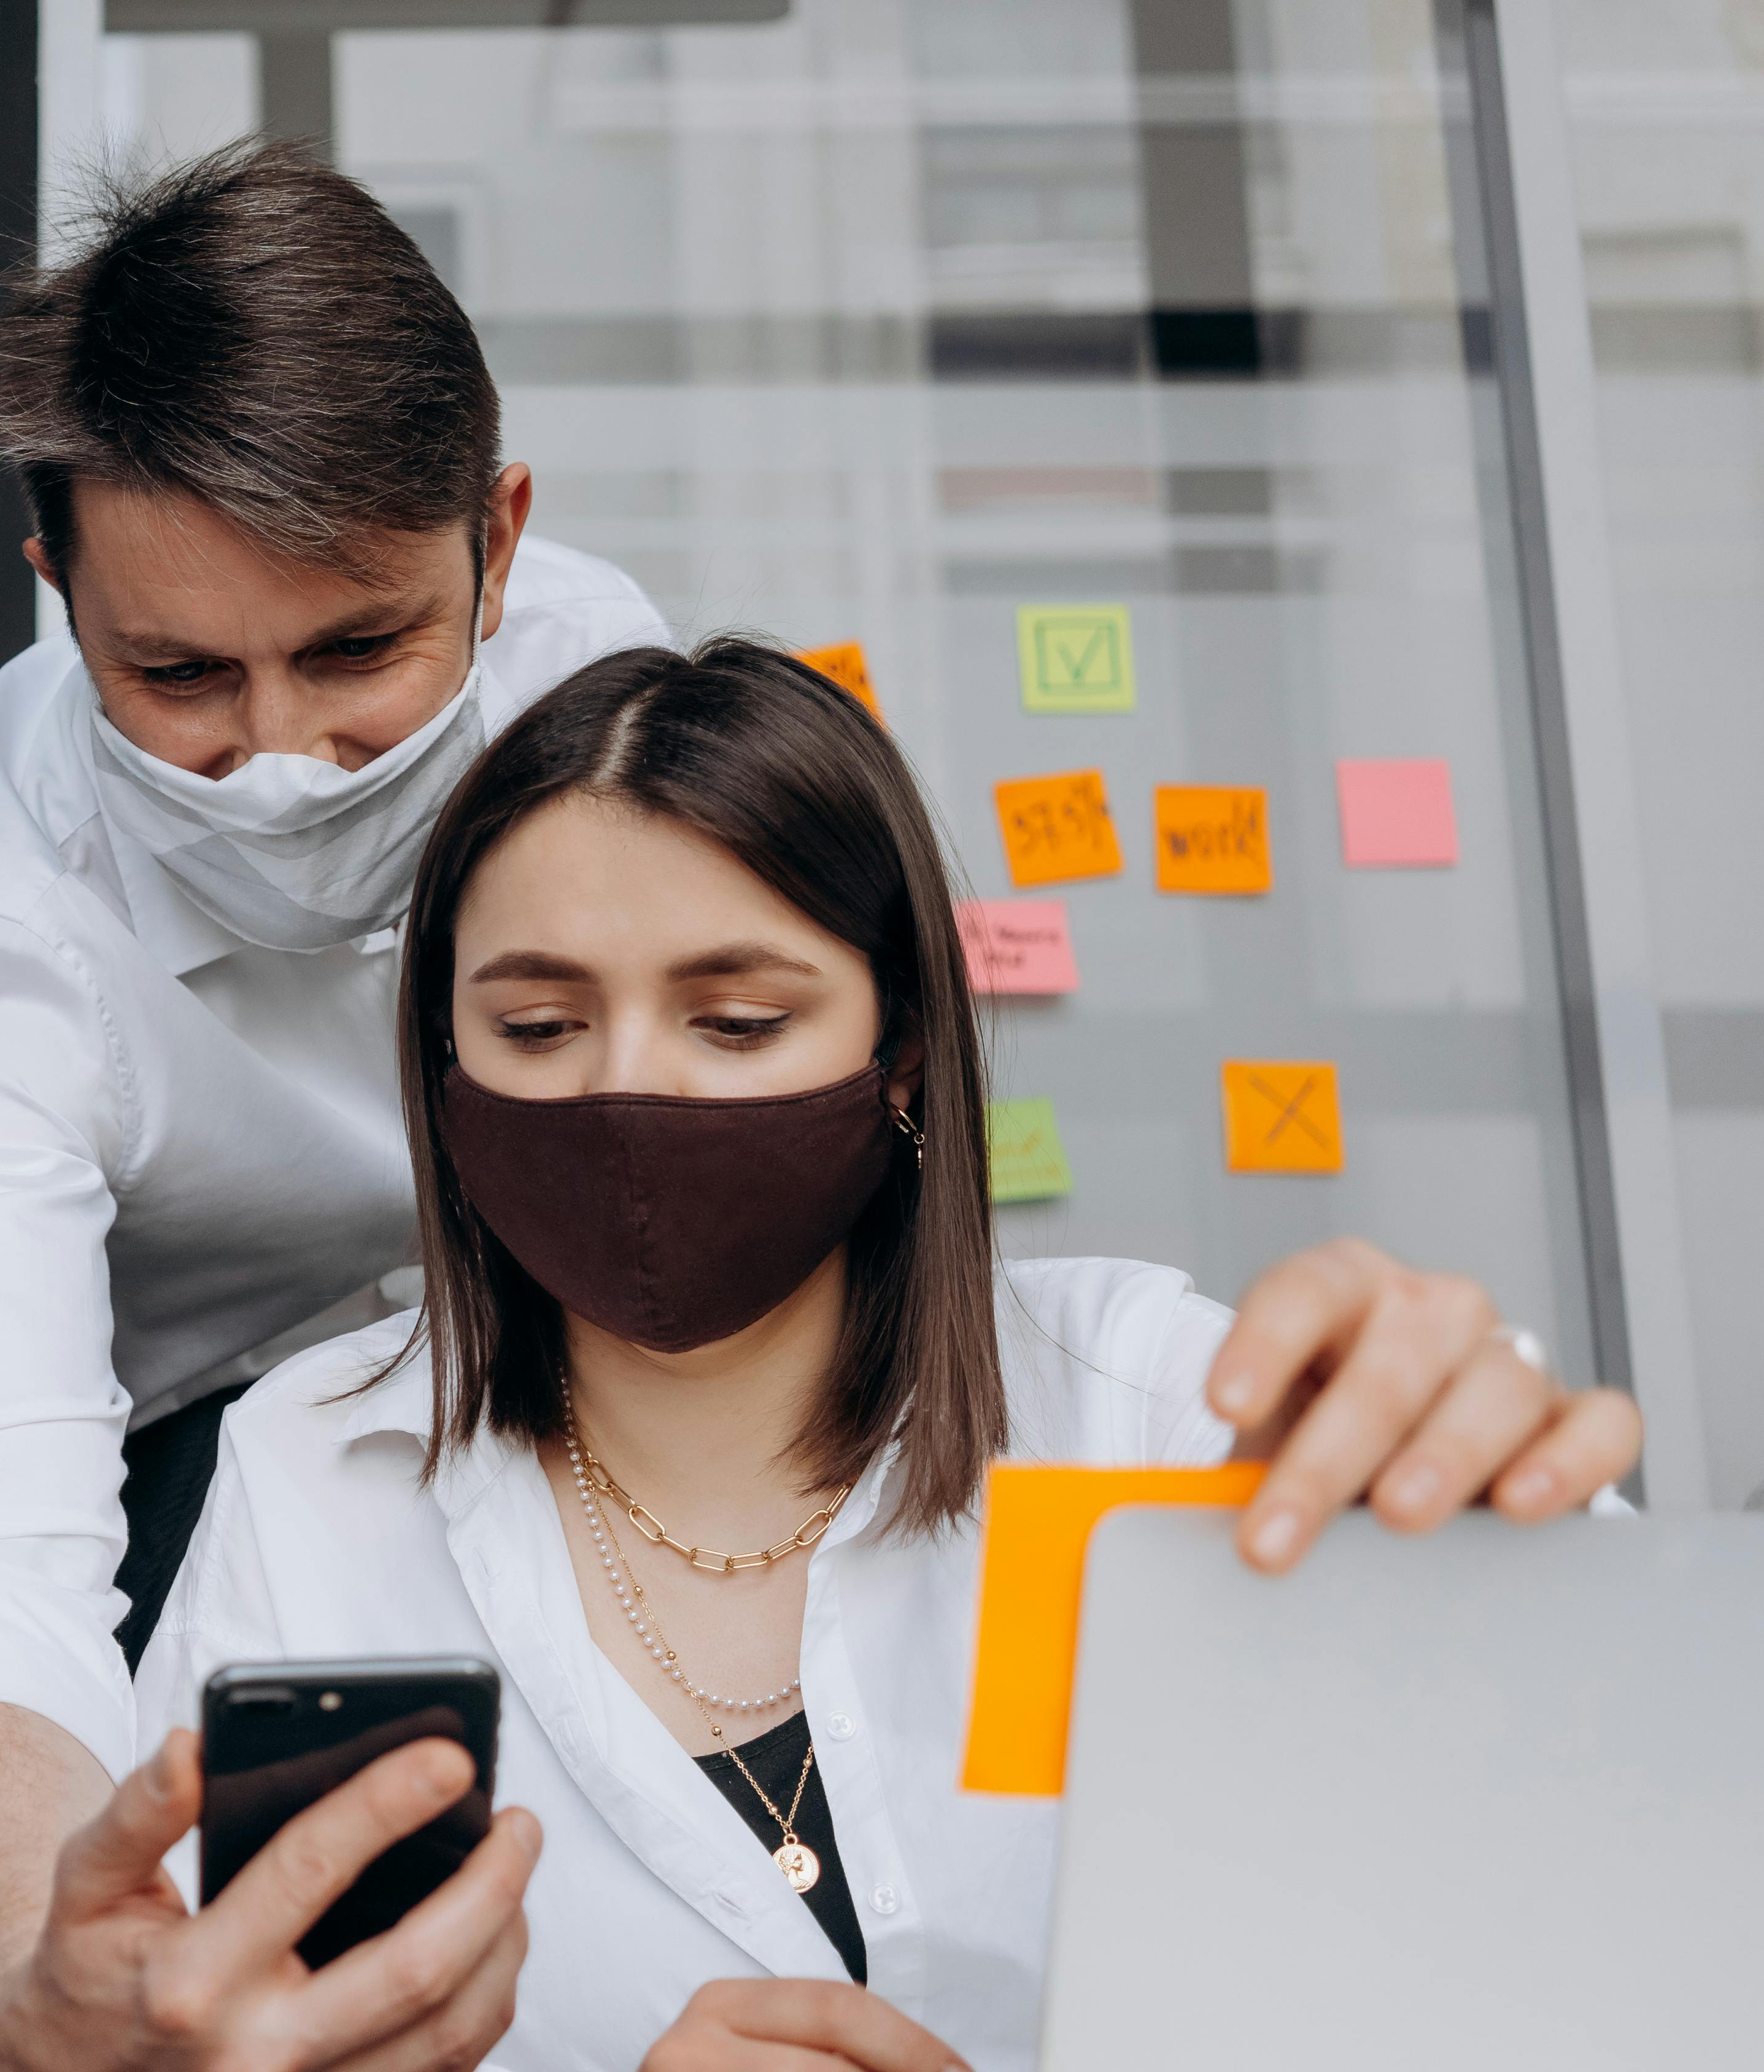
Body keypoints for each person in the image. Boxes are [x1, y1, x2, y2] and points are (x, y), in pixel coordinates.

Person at [128, 639, 1647, 2072]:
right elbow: (198, 2026)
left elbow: (1617, 1847)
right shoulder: (313, 1470)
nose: (627, 1091)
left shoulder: (1141, 1409)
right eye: (535, 1027)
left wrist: (1492, 1510)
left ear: (901, 1048)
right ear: (443, 1067)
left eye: (735, 1020)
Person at [0, 140, 670, 2067]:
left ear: (503, 542)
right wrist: (35, 1958)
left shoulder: (602, 692)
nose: (281, 760)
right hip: (169, 1462)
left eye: (362, 647)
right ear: (56, 587)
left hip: (545, 1374)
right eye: (180, 672)